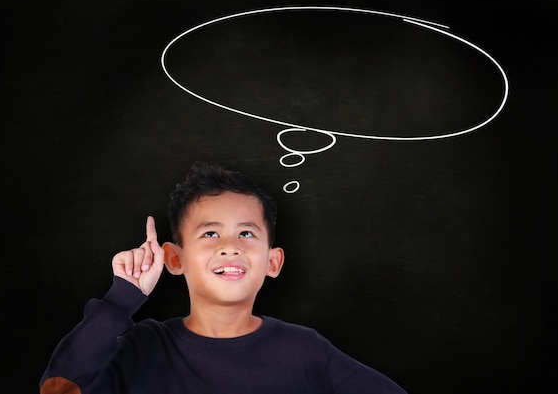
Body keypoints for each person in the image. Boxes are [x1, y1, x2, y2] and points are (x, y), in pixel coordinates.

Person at [40, 162, 407, 394]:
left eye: (246, 234)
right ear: (174, 258)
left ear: (273, 262)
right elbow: (60, 388)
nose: (230, 247)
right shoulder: (144, 347)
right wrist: (123, 298)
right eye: (210, 234)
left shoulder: (304, 351)